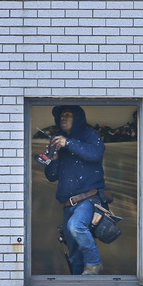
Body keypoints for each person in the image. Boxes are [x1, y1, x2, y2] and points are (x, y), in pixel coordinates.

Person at [43, 105, 106, 275]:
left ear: (78, 118)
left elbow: (95, 154)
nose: (63, 118)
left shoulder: (89, 134)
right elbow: (51, 176)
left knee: (75, 226)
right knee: (74, 255)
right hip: (67, 204)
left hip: (88, 199)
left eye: (68, 115)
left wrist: (68, 142)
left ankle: (94, 262)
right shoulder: (60, 143)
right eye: (61, 116)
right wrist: (53, 158)